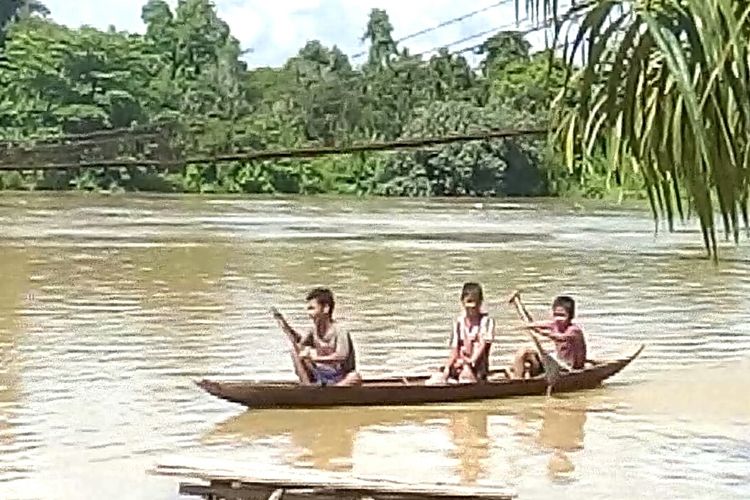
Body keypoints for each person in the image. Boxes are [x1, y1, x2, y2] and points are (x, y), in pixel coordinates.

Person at [273, 287, 362, 386]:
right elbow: (299, 343)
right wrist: (286, 326)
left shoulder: (340, 331)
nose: (309, 314)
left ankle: (330, 392)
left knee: (354, 376)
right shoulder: (313, 330)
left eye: (312, 308)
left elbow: (341, 356)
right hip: (321, 374)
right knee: (295, 351)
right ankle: (309, 387)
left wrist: (315, 358)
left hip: (341, 377)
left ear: (325, 309)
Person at [427, 282, 495, 385]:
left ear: (480, 302)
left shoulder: (486, 322)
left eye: (476, 302)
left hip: (477, 369)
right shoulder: (458, 323)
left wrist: (470, 362)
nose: (473, 306)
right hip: (459, 366)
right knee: (435, 379)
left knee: (465, 378)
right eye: (469, 301)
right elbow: (454, 351)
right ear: (462, 302)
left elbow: (482, 345)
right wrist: (447, 368)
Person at [511, 295, 587, 379]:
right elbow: (535, 324)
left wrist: (540, 332)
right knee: (524, 352)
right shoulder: (554, 325)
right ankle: (517, 379)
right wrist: (524, 325)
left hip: (570, 368)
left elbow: (559, 338)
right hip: (559, 364)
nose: (558, 319)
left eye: (562, 315)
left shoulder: (574, 330)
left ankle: (524, 380)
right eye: (556, 315)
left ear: (570, 316)